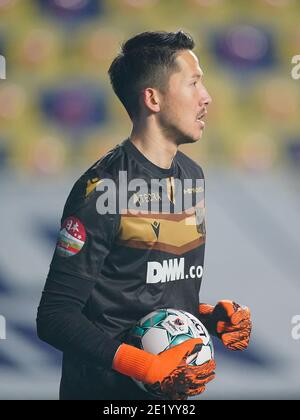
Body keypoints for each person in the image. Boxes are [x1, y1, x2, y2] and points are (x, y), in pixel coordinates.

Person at [36, 30, 252, 401]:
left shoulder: (192, 176)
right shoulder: (102, 189)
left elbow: (136, 296)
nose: (207, 97)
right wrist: (145, 366)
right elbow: (55, 316)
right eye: (194, 84)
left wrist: (206, 316)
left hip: (168, 397)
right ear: (153, 98)